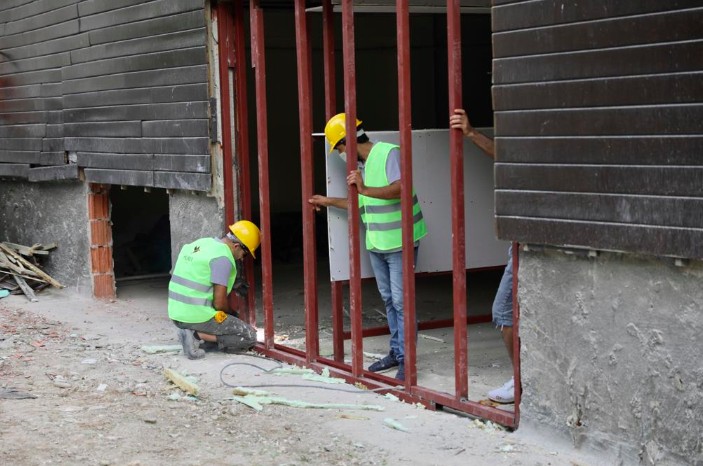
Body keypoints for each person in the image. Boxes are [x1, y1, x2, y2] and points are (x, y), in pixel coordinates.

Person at [309, 113, 428, 381]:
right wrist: (327, 201)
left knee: (402, 302)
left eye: (339, 147)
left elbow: (401, 188)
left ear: (348, 142)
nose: (340, 154)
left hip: (400, 242)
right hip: (378, 243)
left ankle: (407, 363)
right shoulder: (361, 166)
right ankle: (397, 353)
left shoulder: (388, 153)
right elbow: (362, 203)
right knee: (389, 300)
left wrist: (363, 190)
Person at [450, 108, 515, 403]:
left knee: (504, 311)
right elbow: (505, 154)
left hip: (529, 242)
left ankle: (522, 381)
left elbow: (506, 155)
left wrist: (472, 133)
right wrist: (472, 133)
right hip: (522, 239)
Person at [168, 220, 261, 359]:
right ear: (236, 246)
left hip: (176, 313)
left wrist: (233, 284)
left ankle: (195, 335)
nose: (242, 259)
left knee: (227, 326)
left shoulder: (201, 244)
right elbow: (219, 304)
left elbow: (198, 276)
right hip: (196, 316)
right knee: (249, 336)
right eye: (245, 254)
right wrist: (232, 314)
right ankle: (194, 335)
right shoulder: (222, 259)